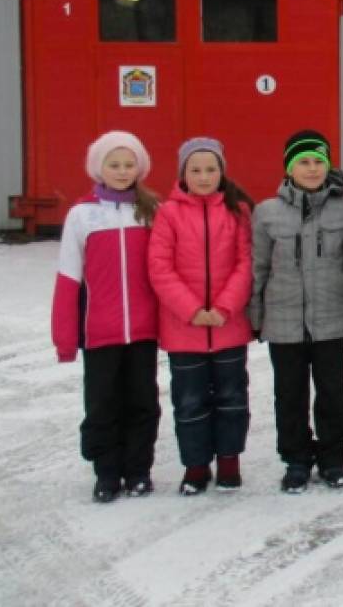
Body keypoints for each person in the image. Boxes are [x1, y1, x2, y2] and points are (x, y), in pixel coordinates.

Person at [52, 131, 161, 503]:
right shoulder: (82, 215)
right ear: (99, 168)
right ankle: (107, 472)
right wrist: (66, 338)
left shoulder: (150, 211)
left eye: (129, 164)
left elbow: (162, 271)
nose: (122, 171)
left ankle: (138, 470)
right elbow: (68, 279)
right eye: (114, 165)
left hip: (144, 332)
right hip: (100, 332)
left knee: (143, 402)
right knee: (102, 404)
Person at [251, 130, 343, 493]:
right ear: (289, 167)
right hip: (284, 323)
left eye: (318, 162)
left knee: (333, 393)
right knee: (290, 395)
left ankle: (333, 458)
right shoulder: (267, 213)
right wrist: (254, 316)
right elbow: (258, 268)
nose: (312, 169)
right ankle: (296, 459)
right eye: (304, 162)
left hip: (331, 320)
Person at [148, 137, 254, 494]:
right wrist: (192, 310)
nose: (204, 177)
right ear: (183, 174)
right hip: (184, 329)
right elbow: (159, 268)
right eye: (196, 170)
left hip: (228, 325)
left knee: (232, 397)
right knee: (189, 401)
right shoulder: (168, 213)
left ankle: (228, 461)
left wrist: (224, 307)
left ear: (222, 172)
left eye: (211, 169)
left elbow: (245, 263)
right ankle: (195, 465)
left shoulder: (237, 211)